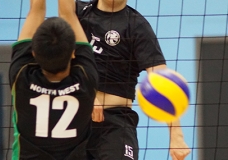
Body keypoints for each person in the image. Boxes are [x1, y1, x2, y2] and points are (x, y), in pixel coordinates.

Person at [75, 0, 191, 160]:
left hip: (115, 124)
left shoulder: (137, 26)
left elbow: (162, 81)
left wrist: (176, 135)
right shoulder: (77, 12)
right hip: (73, 117)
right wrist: (89, 95)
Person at [9, 0, 98, 159]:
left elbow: (36, 11)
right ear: (73, 53)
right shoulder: (86, 79)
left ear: (34, 54)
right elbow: (68, 13)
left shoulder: (21, 77)